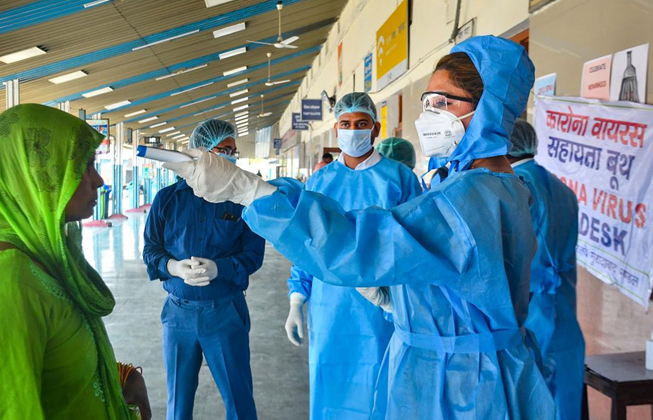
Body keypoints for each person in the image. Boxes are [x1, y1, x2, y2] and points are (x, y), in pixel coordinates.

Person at [165, 35, 556, 419]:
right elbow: (446, 274)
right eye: (427, 103)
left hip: (464, 384)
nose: (428, 115)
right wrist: (398, 299)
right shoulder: (483, 187)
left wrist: (249, 189)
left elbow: (357, 243)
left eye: (442, 102)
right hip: (461, 369)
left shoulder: (475, 197)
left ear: (487, 108)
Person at [0, 104, 150, 420]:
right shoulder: (4, 287)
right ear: (31, 175)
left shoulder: (43, 263)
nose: (98, 180)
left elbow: (57, 365)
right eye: (83, 167)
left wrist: (121, 378)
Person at [284, 92, 422, 420]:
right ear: (336, 129)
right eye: (346, 123)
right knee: (330, 385)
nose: (353, 130)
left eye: (361, 123)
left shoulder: (400, 179)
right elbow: (307, 246)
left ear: (375, 129)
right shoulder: (319, 181)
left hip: (383, 308)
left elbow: (417, 246)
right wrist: (295, 301)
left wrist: (398, 302)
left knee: (381, 389)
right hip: (329, 306)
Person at [143, 119, 265, 420]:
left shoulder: (243, 201)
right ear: (201, 153)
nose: (231, 157)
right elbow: (150, 250)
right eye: (223, 150)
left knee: (239, 400)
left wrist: (220, 268)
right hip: (177, 315)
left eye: (234, 151)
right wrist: (172, 266)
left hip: (224, 312)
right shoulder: (167, 200)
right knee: (178, 404)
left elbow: (253, 255)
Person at [508, 119, 585, 420]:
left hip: (529, 308)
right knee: (563, 397)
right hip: (562, 308)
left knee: (531, 398)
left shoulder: (514, 187)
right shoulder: (562, 190)